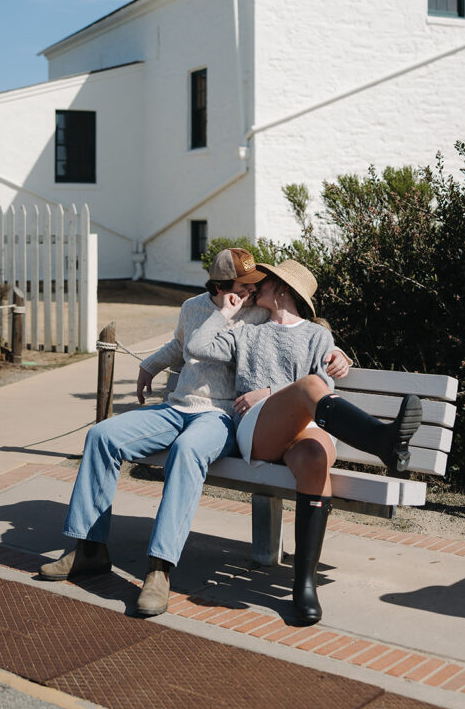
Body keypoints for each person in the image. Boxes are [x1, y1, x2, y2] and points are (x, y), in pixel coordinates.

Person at [39, 248, 350, 618]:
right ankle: (88, 549)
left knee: (187, 451)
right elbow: (183, 344)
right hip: (177, 406)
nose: (253, 288)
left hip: (218, 417)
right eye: (244, 284)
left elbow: (297, 336)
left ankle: (159, 569)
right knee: (101, 437)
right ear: (220, 287)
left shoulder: (256, 312)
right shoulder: (194, 307)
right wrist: (149, 366)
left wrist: (340, 354)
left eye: (256, 283)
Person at [186, 258, 422, 625]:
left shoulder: (317, 336)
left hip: (305, 433)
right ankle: (380, 440)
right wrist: (226, 315)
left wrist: (275, 385)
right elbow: (197, 346)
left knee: (314, 454)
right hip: (259, 430)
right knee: (311, 386)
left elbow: (327, 391)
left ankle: (304, 585)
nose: (256, 286)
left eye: (266, 282)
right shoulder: (247, 331)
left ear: (282, 289)